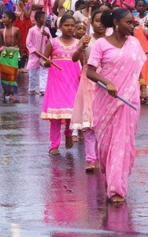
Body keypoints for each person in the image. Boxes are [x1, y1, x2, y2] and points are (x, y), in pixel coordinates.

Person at [86, 8, 146, 203]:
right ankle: (111, 175)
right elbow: (90, 72)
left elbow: (137, 68)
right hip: (106, 101)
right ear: (116, 23)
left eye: (134, 23)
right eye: (128, 22)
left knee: (123, 143)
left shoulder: (134, 44)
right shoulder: (101, 44)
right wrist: (108, 83)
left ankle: (117, 188)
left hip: (128, 101)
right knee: (105, 146)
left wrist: (143, 85)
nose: (132, 26)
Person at [41, 15, 85, 155]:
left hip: (73, 81)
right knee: (56, 115)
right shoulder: (53, 42)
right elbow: (43, 60)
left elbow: (84, 64)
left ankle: (68, 133)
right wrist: (46, 63)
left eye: (72, 25)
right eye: (66, 25)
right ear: (60, 27)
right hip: (56, 82)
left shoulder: (79, 43)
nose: (70, 28)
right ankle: (54, 145)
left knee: (71, 112)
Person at [72, 10, 106, 172]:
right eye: (97, 21)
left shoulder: (111, 41)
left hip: (106, 82)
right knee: (89, 123)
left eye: (102, 20)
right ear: (91, 23)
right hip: (88, 81)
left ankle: (102, 157)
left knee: (102, 123)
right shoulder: (86, 39)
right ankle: (91, 159)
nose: (100, 24)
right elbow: (74, 58)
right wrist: (81, 47)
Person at [0, 11, 21, 102]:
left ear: (10, 20)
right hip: (4, 53)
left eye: (5, 17)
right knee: (3, 74)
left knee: (12, 73)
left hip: (13, 52)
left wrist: (21, 54)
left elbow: (20, 42)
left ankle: (11, 93)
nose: (3, 20)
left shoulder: (17, 30)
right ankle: (5, 91)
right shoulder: (2, 31)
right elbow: (1, 44)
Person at [26, 11, 52, 95]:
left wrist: (47, 36)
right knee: (32, 74)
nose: (45, 20)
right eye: (43, 18)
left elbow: (51, 42)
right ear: (37, 19)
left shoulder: (46, 29)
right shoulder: (32, 30)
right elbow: (28, 43)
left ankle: (42, 89)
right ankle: (32, 89)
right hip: (34, 55)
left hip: (44, 55)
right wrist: (34, 51)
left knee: (44, 72)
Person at [14, 0, 33, 73]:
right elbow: (28, 15)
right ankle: (20, 66)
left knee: (25, 46)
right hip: (20, 29)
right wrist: (31, 7)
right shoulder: (19, 5)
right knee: (21, 45)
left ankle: (21, 66)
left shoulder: (24, 5)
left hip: (25, 28)